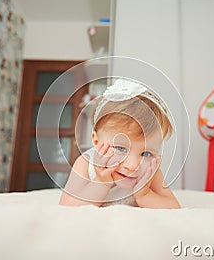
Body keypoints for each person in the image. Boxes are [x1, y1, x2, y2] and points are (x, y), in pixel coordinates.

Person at [59, 79, 181, 209]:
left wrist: (144, 194)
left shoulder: (149, 172)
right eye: (120, 148)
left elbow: (173, 206)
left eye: (146, 153)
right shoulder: (85, 163)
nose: (133, 165)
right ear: (96, 141)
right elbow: (66, 206)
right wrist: (101, 182)